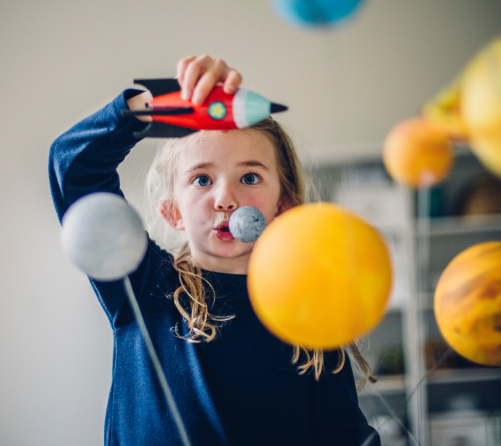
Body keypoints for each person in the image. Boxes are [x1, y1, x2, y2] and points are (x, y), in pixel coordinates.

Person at [49, 55, 381, 446]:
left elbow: (343, 436)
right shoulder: (143, 285)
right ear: (172, 211)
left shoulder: (312, 320)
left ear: (283, 206)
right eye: (202, 179)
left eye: (250, 177)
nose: (226, 198)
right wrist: (153, 105)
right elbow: (73, 169)